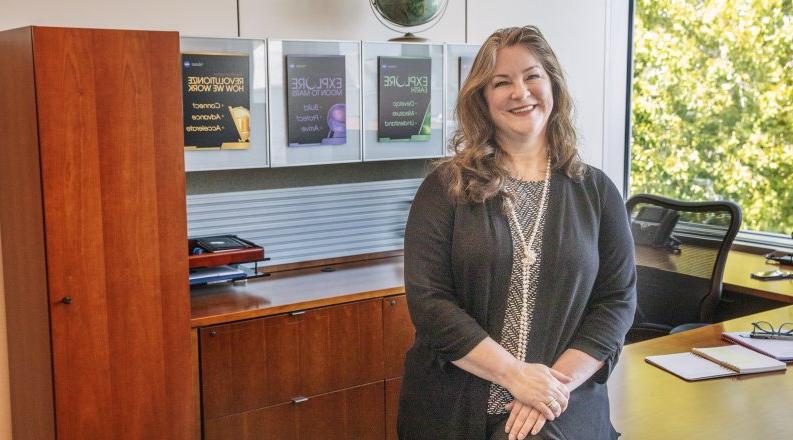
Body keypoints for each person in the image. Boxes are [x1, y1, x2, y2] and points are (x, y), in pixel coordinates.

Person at [398, 26, 637, 440]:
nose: (519, 92)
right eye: (501, 82)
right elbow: (430, 303)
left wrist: (547, 388)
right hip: (455, 412)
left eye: (532, 76)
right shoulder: (444, 188)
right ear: (482, 99)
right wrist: (515, 375)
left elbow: (616, 301)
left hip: (564, 407)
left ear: (553, 87)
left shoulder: (596, 191)